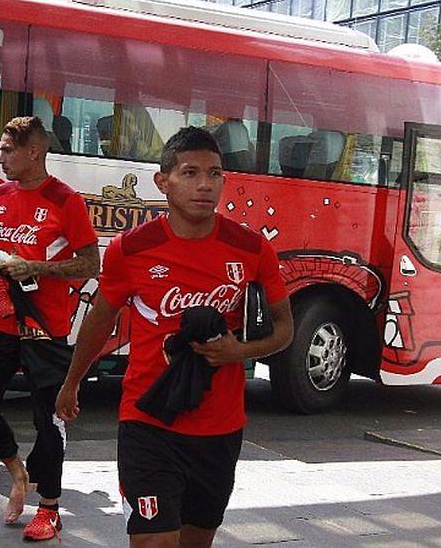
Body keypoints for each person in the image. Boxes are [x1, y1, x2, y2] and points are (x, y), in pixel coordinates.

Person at [56, 126, 294, 548]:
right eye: (190, 173)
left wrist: (239, 351)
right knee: (155, 542)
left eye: (215, 173)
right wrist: (72, 381)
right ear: (162, 182)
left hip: (219, 428)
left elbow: (284, 329)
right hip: (148, 423)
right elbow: (100, 319)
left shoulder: (252, 248)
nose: (205, 184)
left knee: (195, 542)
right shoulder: (130, 249)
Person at [0, 116, 99, 542]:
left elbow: (89, 264)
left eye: (8, 151)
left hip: (45, 327)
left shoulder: (66, 200)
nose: (1, 158)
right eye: (1, 149)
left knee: (50, 419)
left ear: (34, 152)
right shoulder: (2, 195)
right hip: (2, 320)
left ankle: (49, 508)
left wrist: (34, 268)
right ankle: (16, 470)